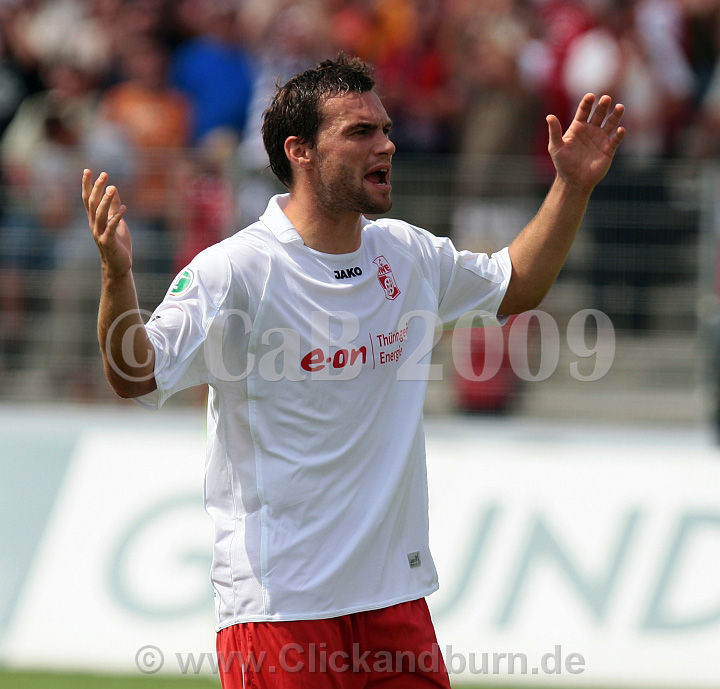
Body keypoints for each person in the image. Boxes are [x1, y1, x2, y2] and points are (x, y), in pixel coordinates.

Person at [82, 54, 624, 688]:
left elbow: (517, 284)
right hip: (281, 610)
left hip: (393, 600)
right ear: (301, 152)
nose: (386, 145)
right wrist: (117, 276)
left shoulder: (407, 253)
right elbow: (135, 374)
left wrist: (572, 186)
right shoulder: (235, 270)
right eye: (360, 132)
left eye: (385, 129)